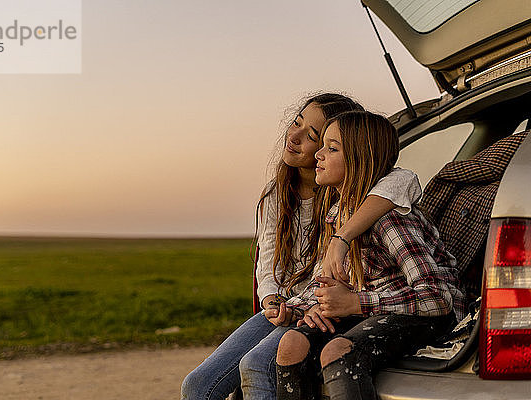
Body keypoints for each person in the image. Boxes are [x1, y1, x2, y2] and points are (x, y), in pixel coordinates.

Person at [180, 94, 422, 400]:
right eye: (296, 123)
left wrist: (341, 237)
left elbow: (404, 181)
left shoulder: (350, 190)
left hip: (326, 308)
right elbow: (267, 264)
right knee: (197, 385)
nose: (293, 136)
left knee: (256, 365)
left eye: (312, 136)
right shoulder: (277, 194)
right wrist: (271, 299)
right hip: (290, 304)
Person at [274, 110, 466, 400]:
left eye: (332, 148)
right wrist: (300, 308)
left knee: (338, 351)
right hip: (374, 308)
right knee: (292, 344)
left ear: (360, 160)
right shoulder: (339, 215)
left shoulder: (390, 219)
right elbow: (333, 283)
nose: (319, 155)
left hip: (425, 314)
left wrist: (354, 302)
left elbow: (438, 298)